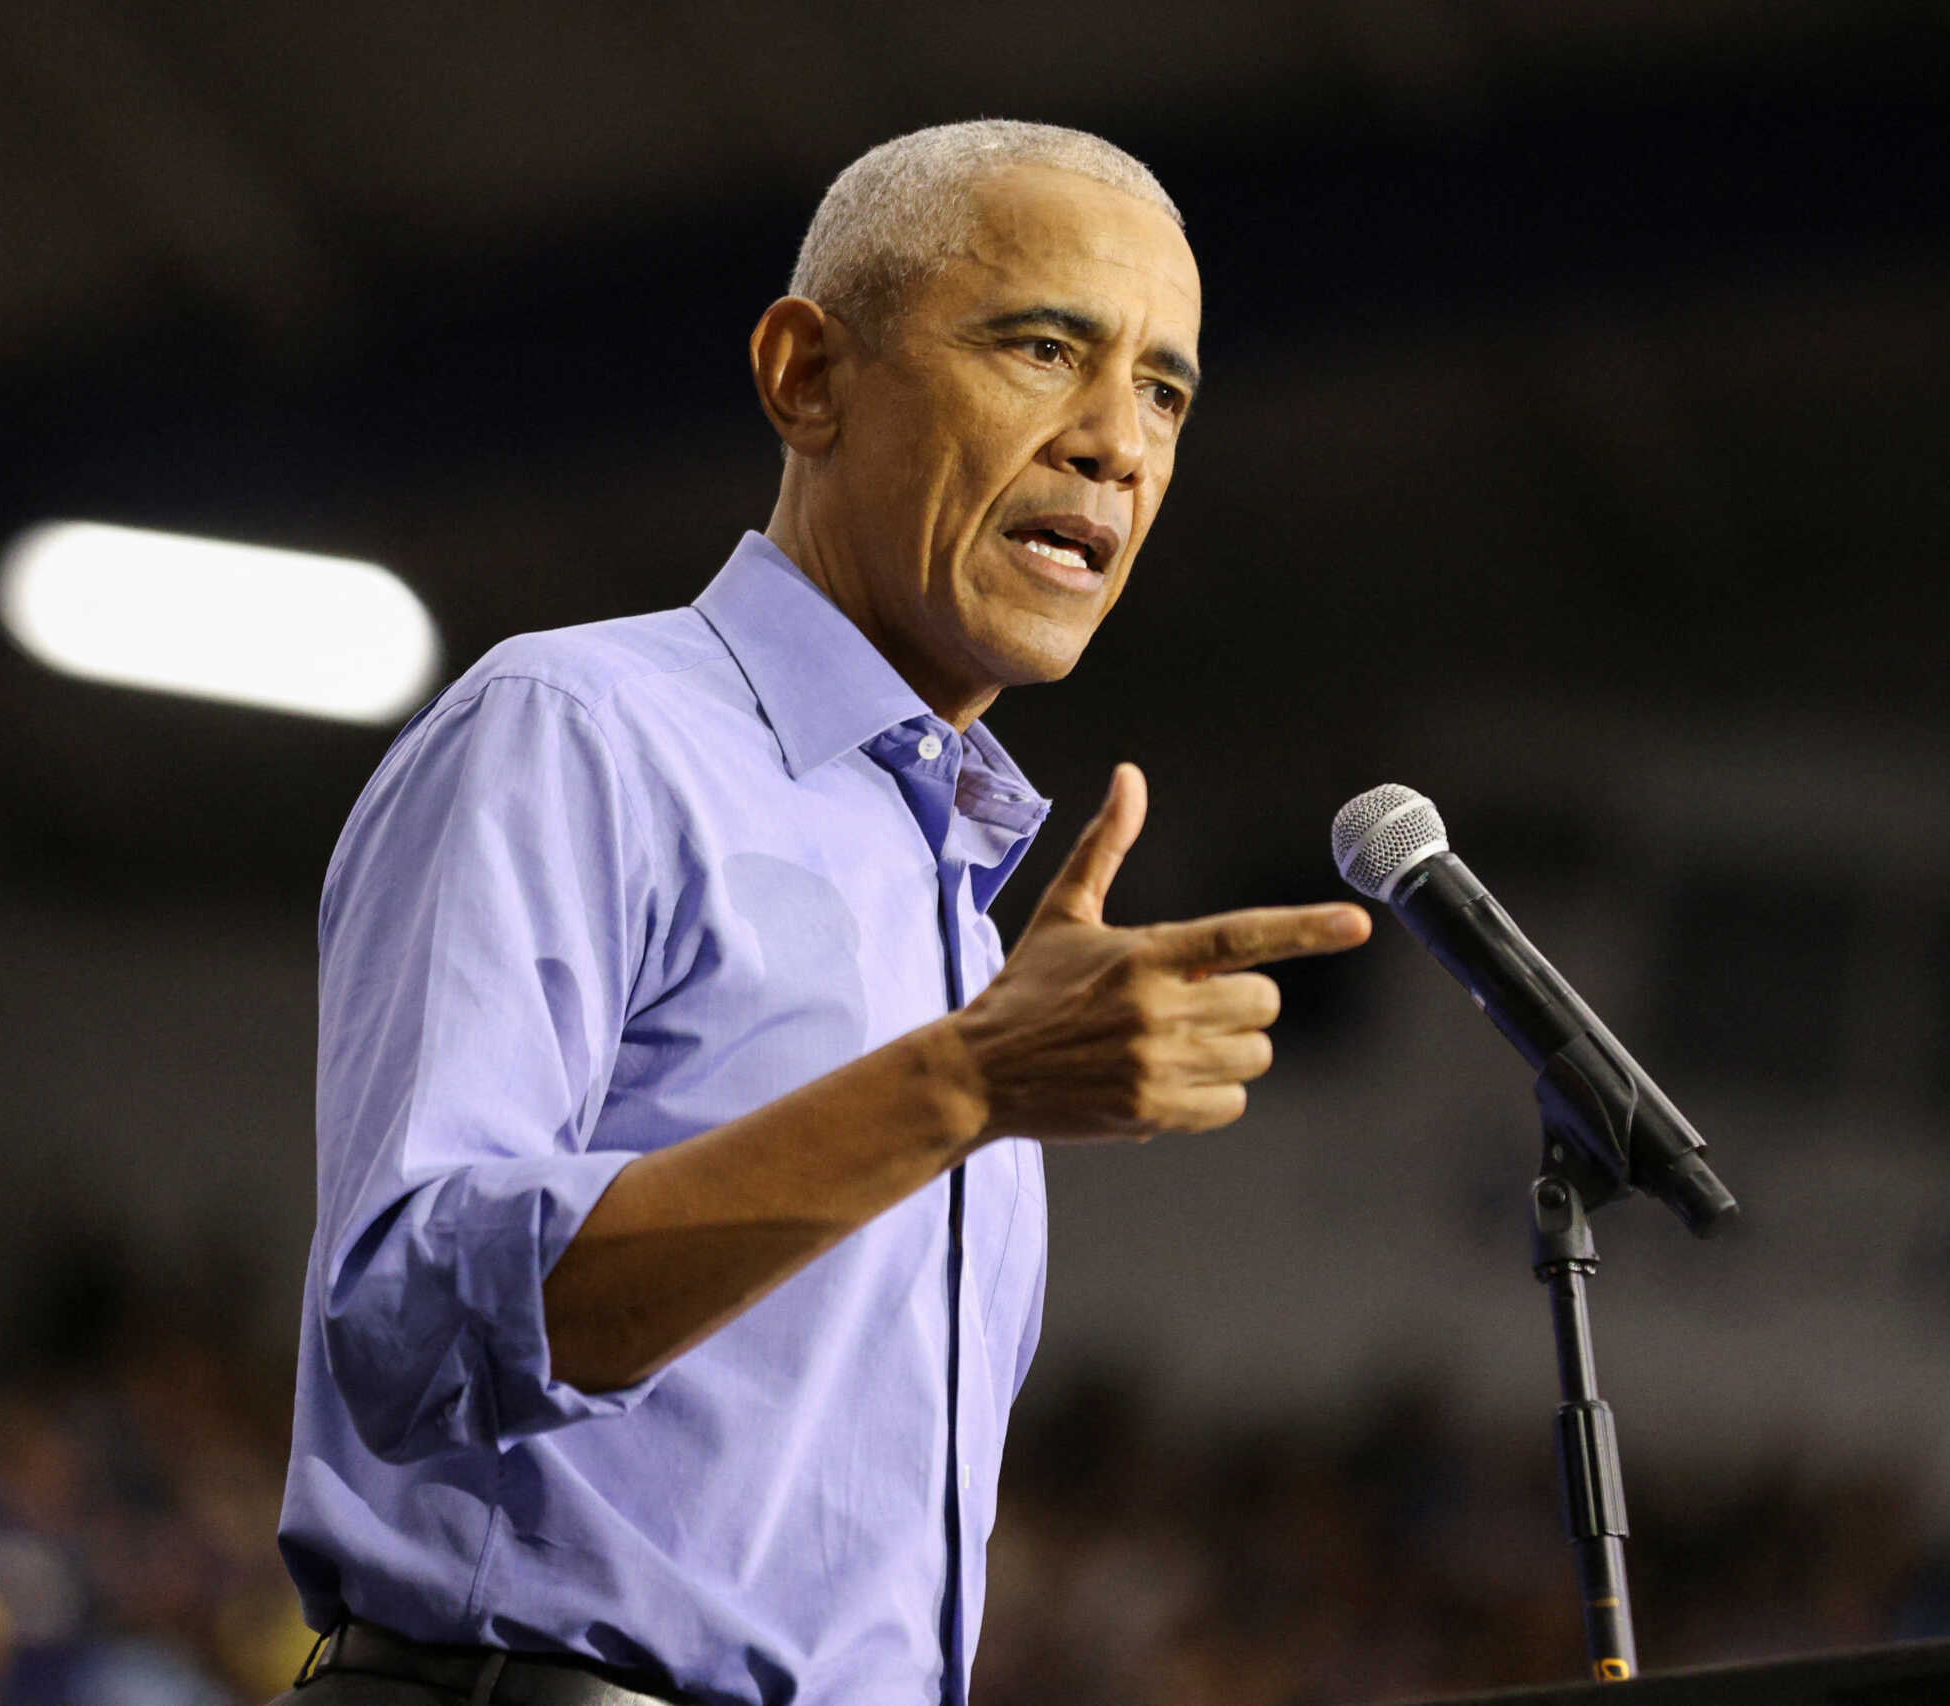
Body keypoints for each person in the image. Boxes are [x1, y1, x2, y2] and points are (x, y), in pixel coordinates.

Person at [274, 119, 1371, 1706]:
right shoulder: (579, 728)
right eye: (1045, 346)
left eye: (1166, 389)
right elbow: (406, 1324)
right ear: (807, 375)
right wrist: (963, 1084)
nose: (1116, 441)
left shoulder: (966, 926)